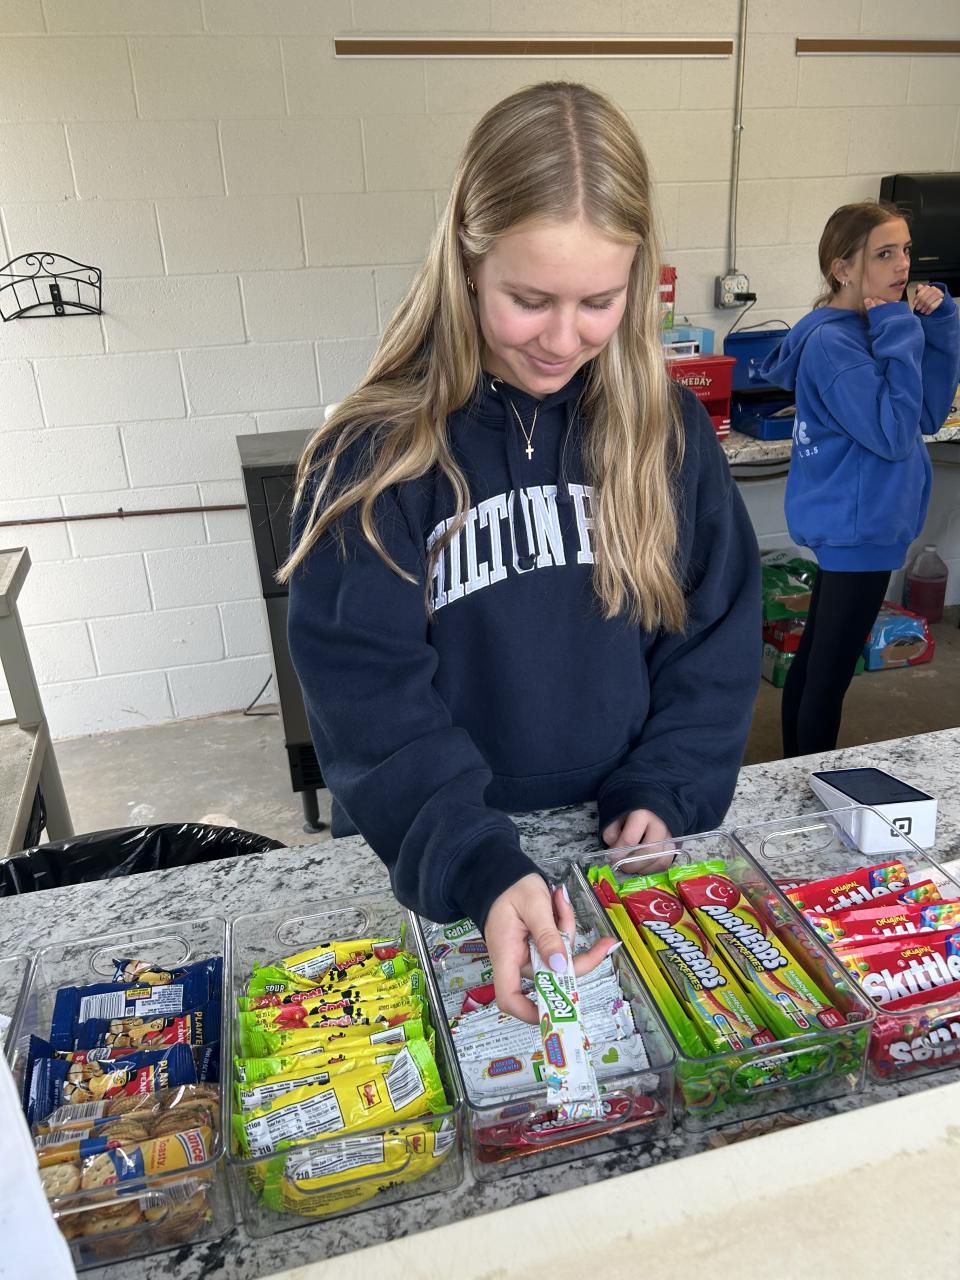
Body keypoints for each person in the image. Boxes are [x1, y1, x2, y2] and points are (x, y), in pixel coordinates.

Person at [282, 82, 761, 1023]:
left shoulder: (665, 432)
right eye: (529, 300)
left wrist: (670, 784)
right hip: (437, 850)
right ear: (467, 267)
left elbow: (716, 635)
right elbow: (366, 696)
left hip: (620, 844)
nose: (562, 338)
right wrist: (471, 856)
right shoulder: (375, 454)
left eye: (599, 302)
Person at [761, 201, 959, 758]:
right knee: (829, 675)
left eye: (906, 250)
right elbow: (895, 435)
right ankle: (811, 782)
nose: (903, 265)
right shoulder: (835, 344)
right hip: (859, 523)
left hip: (869, 518)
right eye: (884, 254)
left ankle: (797, 772)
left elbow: (926, 414)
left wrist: (939, 326)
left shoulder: (872, 327)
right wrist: (899, 327)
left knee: (819, 660)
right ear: (842, 268)